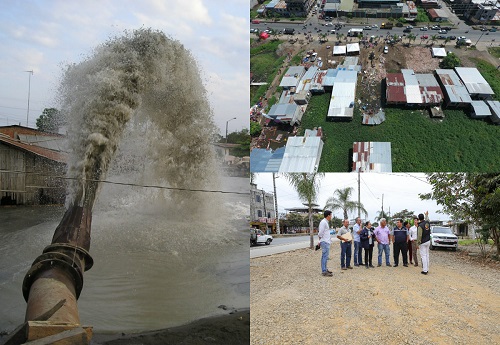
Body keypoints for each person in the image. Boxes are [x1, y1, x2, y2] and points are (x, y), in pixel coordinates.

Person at [318, 210, 333, 276]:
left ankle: (325, 269)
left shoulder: (325, 222)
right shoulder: (323, 222)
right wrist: (320, 241)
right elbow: (320, 233)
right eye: (331, 215)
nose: (331, 216)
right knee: (324, 256)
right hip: (325, 242)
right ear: (328, 215)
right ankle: (324, 271)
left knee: (326, 256)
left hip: (326, 241)